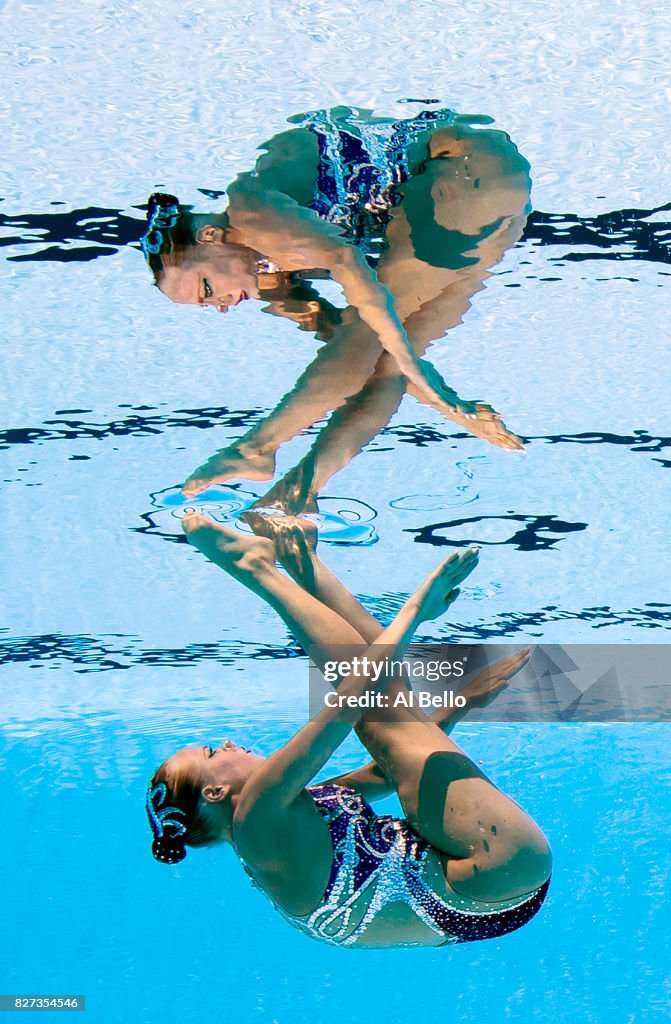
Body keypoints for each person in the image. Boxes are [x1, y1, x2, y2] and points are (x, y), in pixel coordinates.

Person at [146, 513, 552, 948]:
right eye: (211, 754)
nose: (226, 743)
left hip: (493, 894)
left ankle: (302, 559)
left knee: (388, 715)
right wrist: (416, 609)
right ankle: (257, 567)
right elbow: (351, 698)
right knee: (378, 716)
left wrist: (460, 704)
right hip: (487, 873)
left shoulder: (275, 823)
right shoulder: (255, 818)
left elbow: (384, 773)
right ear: (214, 793)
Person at [140, 105, 531, 496]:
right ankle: (297, 496)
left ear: (210, 236)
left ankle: (257, 448)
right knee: (383, 362)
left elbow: (348, 264)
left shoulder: (252, 207)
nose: (221, 304)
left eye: (207, 289)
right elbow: (346, 348)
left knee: (379, 340)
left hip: (464, 165)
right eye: (207, 305)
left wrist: (423, 379)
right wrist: (450, 406)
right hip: (485, 196)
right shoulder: (268, 273)